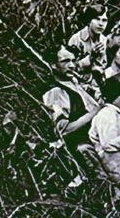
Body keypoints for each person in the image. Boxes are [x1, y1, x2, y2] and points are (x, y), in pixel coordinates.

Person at [43, 45, 101, 185]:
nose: (71, 66)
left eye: (73, 61)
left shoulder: (72, 81)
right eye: (65, 61)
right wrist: (94, 112)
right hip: (83, 147)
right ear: (53, 65)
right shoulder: (55, 91)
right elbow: (63, 130)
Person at [68, 4, 109, 89]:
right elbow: (69, 67)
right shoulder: (77, 39)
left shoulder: (104, 41)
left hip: (97, 87)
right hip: (78, 85)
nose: (101, 24)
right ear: (89, 21)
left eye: (104, 20)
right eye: (97, 19)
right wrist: (90, 58)